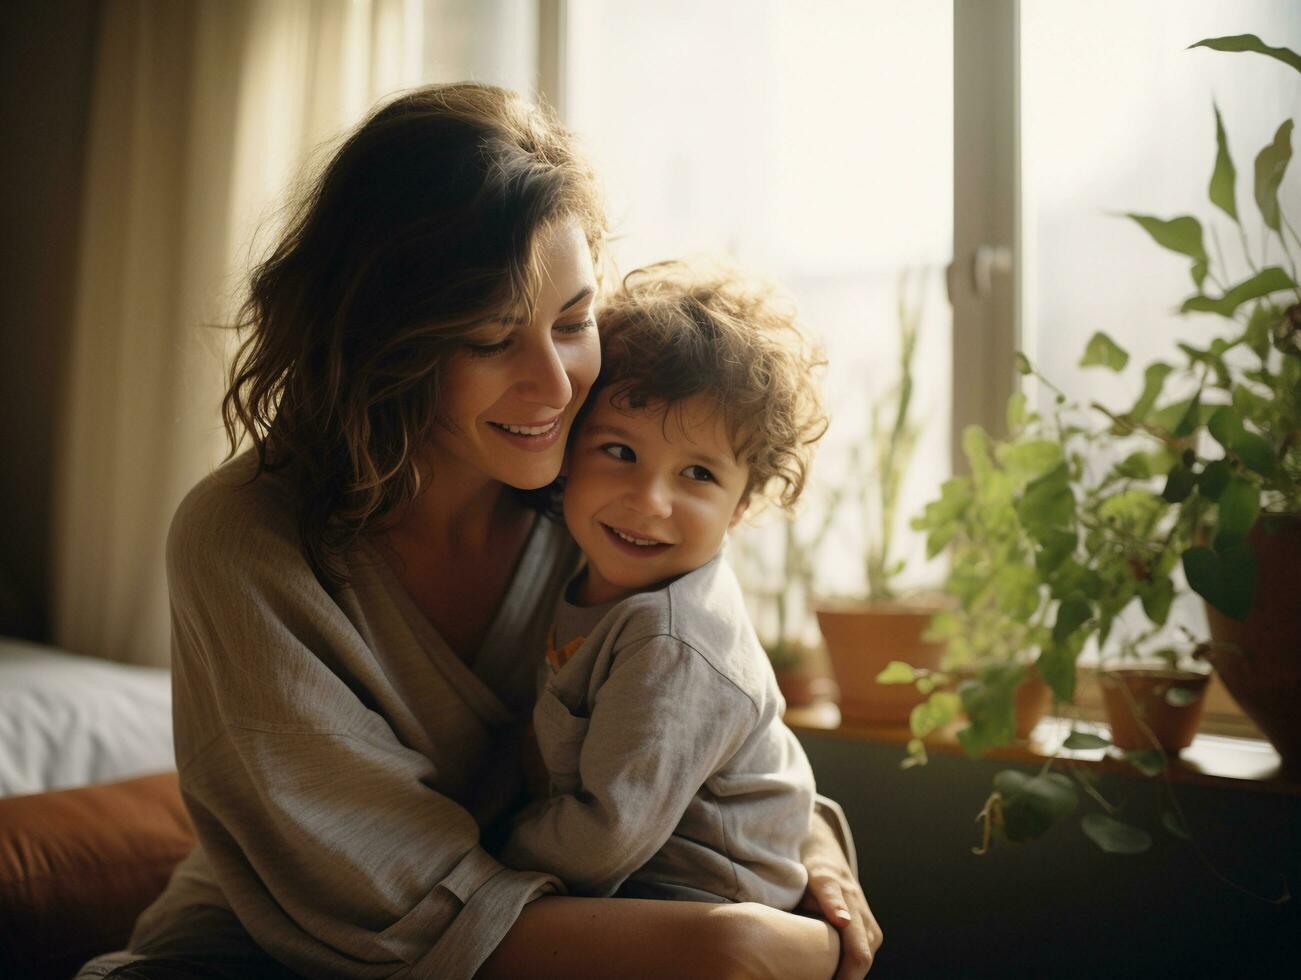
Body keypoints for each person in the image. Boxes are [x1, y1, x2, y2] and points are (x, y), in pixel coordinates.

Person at [76, 83, 881, 980]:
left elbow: (706, 697)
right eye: (492, 340)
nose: (555, 383)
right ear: (385, 343)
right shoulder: (250, 541)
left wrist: (805, 843)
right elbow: (394, 902)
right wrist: (723, 945)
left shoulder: (610, 487)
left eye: (572, 322)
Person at [501, 260, 830, 913]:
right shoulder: (587, 573)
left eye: (698, 475)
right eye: (619, 453)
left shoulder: (672, 636)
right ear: (569, 453)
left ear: (740, 507)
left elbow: (605, 835)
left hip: (703, 898)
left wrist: (479, 853)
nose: (648, 502)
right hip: (634, 880)